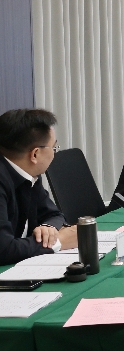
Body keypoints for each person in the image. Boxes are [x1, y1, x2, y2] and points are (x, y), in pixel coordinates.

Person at [0, 109, 77, 264]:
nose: (54, 154)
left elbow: (54, 214)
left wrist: (49, 228)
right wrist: (58, 242)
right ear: (35, 154)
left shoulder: (29, 173)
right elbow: (3, 250)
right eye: (54, 148)